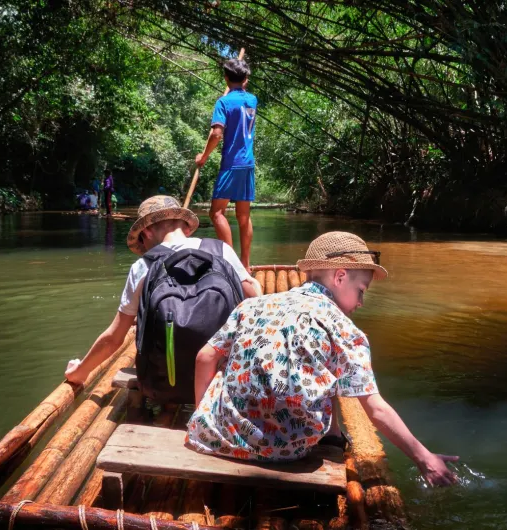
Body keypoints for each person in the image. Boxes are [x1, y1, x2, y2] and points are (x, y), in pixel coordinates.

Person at [187, 232, 459, 487]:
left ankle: (215, 420)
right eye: (361, 291)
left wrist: (204, 415)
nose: (361, 302)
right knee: (329, 371)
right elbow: (375, 409)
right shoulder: (345, 330)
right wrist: (424, 458)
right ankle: (332, 434)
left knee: (227, 362)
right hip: (287, 450)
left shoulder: (252, 305)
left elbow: (204, 357)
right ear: (340, 277)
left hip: (217, 438)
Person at [65, 195, 262, 387]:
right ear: (185, 227)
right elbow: (255, 300)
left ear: (148, 231)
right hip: (224, 379)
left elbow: (114, 338)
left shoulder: (143, 266)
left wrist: (79, 371)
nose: (144, 246)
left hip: (163, 384)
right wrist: (254, 284)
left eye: (142, 239)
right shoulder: (220, 250)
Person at [195, 58, 257, 270]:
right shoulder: (253, 100)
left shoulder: (223, 103)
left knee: (216, 213)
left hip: (231, 163)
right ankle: (246, 264)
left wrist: (203, 157)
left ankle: (232, 264)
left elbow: (217, 134)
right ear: (246, 80)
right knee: (243, 215)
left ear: (226, 78)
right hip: (248, 163)